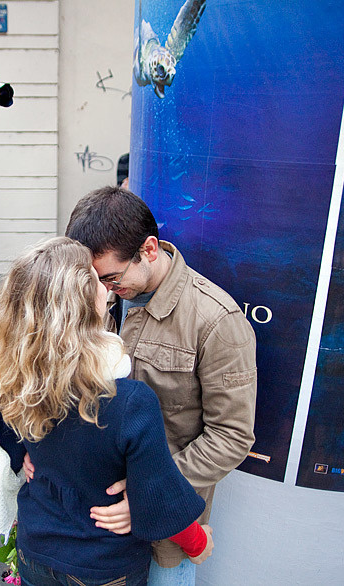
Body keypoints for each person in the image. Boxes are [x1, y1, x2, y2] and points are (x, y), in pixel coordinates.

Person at [0, 237, 213, 586]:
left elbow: (4, 437)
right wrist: (198, 541)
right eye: (95, 280)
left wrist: (25, 453)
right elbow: (161, 494)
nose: (105, 286)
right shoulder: (130, 401)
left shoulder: (15, 377)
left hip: (35, 550)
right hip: (102, 565)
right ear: (82, 307)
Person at [60, 186, 258, 586]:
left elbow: (232, 436)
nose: (104, 290)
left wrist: (149, 493)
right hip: (95, 520)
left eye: (112, 278)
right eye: (94, 280)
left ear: (149, 250)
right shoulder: (96, 293)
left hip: (164, 532)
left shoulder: (217, 320)